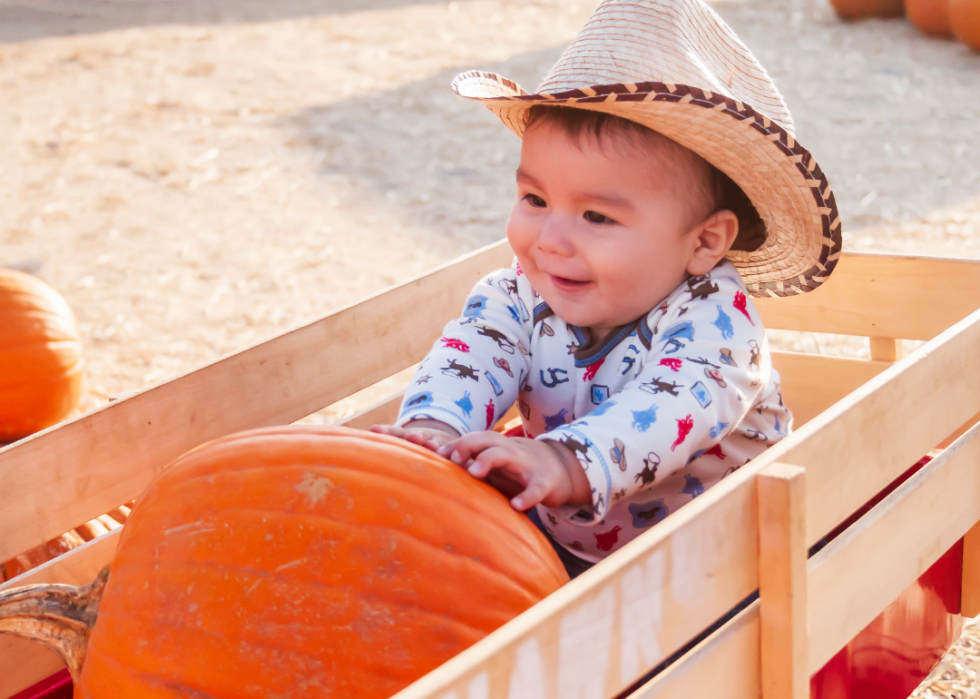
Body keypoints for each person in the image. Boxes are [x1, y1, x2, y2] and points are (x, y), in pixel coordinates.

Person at [374, 0, 842, 578]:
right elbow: (472, 355)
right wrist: (435, 427)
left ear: (703, 243)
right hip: (562, 550)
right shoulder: (518, 294)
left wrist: (563, 461)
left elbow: (669, 408)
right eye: (536, 200)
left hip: (725, 562)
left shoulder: (718, 329)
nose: (551, 240)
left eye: (596, 217)